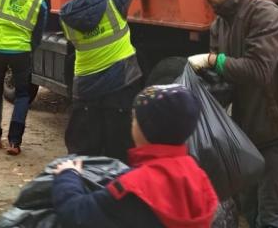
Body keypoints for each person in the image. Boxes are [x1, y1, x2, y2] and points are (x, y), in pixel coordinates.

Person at [188, 0, 278, 228]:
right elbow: (225, 80)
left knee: (271, 216)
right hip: (248, 131)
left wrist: (211, 61)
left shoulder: (266, 14)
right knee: (250, 209)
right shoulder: (220, 25)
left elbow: (258, 70)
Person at [52, 84, 218, 228]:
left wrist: (68, 175)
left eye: (134, 119)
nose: (132, 124)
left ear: (145, 129)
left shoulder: (133, 187)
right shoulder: (199, 177)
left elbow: (77, 214)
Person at [59, 0, 144, 162]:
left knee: (85, 152)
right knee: (121, 151)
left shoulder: (65, 16)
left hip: (85, 89)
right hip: (121, 84)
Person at [0, 0, 48, 154]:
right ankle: (14, 142)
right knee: (22, 95)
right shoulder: (40, 2)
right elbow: (39, 32)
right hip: (21, 52)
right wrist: (30, 48)